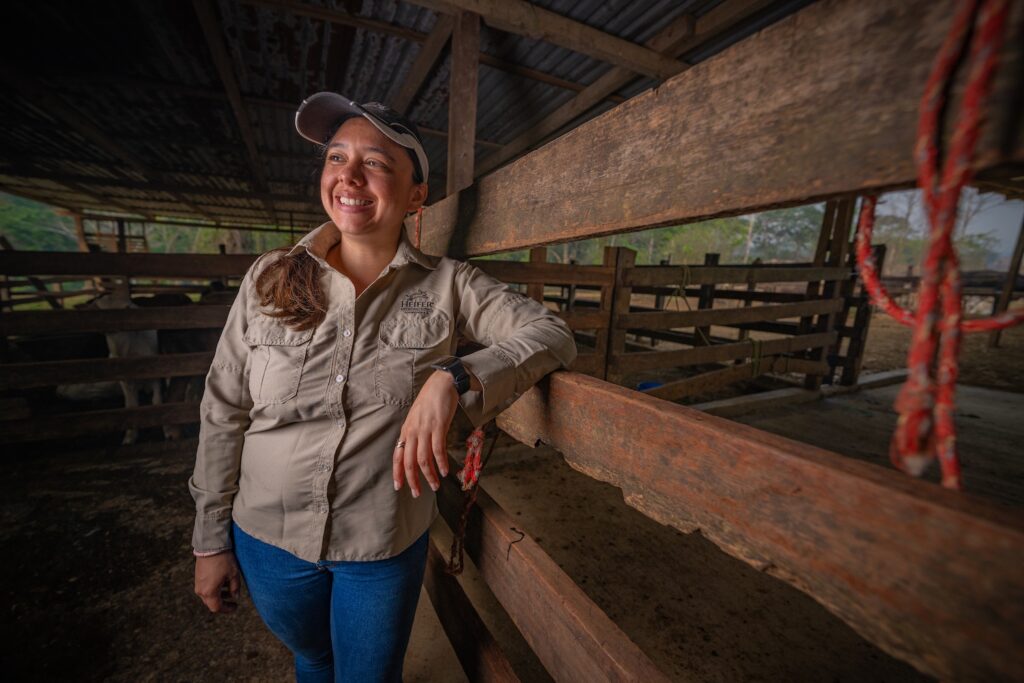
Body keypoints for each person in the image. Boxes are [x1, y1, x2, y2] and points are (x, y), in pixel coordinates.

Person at [189, 92, 577, 682]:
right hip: (267, 536)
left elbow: (551, 332)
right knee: (312, 657)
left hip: (380, 544)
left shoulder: (450, 285)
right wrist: (210, 541)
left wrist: (454, 377)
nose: (349, 175)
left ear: (416, 195)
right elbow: (223, 407)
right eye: (336, 157)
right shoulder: (269, 276)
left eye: (374, 162)